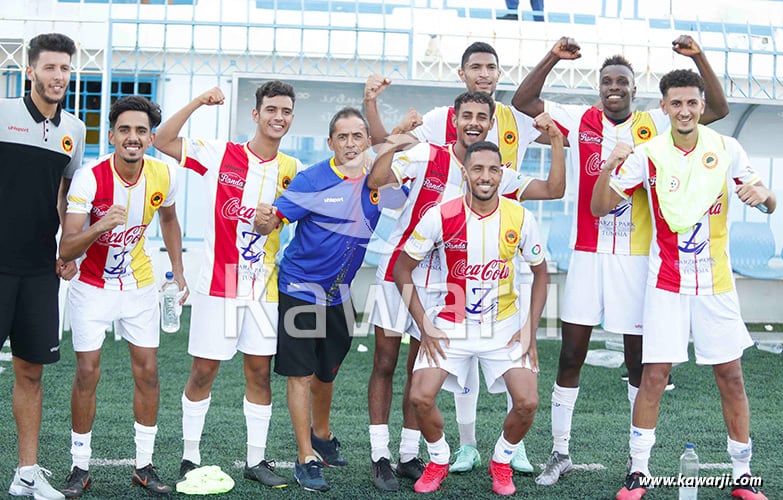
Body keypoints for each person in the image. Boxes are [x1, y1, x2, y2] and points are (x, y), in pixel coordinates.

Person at [512, 35, 729, 486]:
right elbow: (524, 99)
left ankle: (637, 463)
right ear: (599, 88)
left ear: (634, 90)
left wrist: (698, 58)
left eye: (623, 83)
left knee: (637, 361)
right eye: (608, 82)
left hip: (636, 260)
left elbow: (718, 110)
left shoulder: (655, 123)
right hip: (588, 255)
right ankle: (560, 452)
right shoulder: (579, 120)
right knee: (571, 354)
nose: (615, 88)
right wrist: (553, 55)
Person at [363, 41, 549, 481]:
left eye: (482, 117)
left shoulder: (492, 175)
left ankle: (411, 454)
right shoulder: (429, 153)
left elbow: (549, 189)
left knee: (420, 365)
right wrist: (382, 120)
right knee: (385, 362)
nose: (473, 123)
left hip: (446, 284)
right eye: (466, 116)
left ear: (491, 123)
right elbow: (378, 179)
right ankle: (379, 455)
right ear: (455, 118)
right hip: (400, 270)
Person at [591, 69, 772, 500]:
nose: (686, 111)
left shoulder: (727, 149)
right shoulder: (647, 153)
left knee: (731, 377)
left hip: (717, 283)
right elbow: (600, 207)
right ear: (664, 107)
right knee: (654, 375)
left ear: (702, 106)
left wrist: (762, 196)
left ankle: (743, 475)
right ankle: (638, 472)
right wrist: (611, 165)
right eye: (677, 103)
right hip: (667, 283)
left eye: (693, 103)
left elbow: (768, 200)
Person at [153, 82, 303, 489]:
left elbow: (298, 216)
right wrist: (200, 101)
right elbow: (161, 139)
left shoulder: (294, 170)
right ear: (255, 115)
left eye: (285, 111)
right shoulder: (221, 153)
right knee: (203, 371)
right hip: (219, 282)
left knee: (259, 371)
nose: (278, 117)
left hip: (263, 287)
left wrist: (272, 222)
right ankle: (189, 457)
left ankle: (257, 460)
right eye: (271, 109)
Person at [393, 141, 548, 495]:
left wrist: (529, 329)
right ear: (465, 172)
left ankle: (501, 460)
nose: (485, 176)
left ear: (502, 174)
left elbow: (541, 274)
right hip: (451, 321)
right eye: (477, 169)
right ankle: (438, 458)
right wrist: (425, 324)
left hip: (504, 324)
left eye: (493, 170)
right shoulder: (440, 215)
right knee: (420, 396)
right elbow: (403, 269)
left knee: (527, 402)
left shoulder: (521, 217)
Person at [58, 95, 187, 497]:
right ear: (112, 135)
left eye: (142, 131)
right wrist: (101, 225)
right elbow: (67, 249)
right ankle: (80, 467)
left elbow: (168, 218)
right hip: (91, 287)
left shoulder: (164, 174)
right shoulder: (89, 178)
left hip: (139, 285)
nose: (133, 137)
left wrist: (179, 273)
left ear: (150, 138)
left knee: (148, 371)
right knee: (87, 373)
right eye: (125, 130)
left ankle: (144, 466)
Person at [0, 32, 85, 500]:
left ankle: (26, 474)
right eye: (50, 67)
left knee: (31, 373)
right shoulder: (2, 114)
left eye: (65, 69)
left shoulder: (75, 130)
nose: (58, 76)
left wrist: (66, 251)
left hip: (37, 271)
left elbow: (63, 197)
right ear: (29, 70)